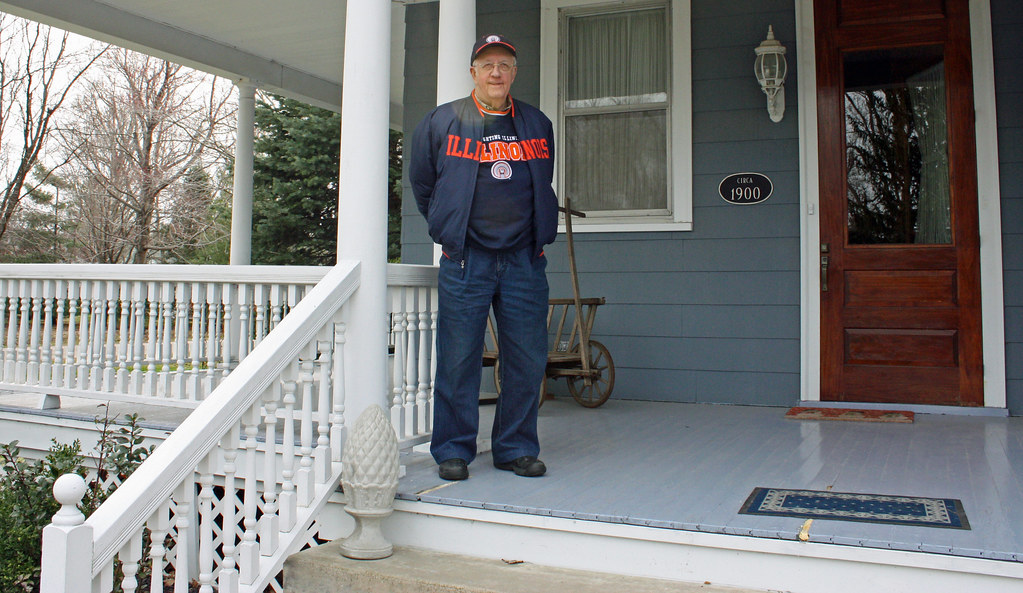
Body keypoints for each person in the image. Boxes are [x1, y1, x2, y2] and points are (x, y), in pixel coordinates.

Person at [410, 34, 558, 481]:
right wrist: (447, 223)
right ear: (473, 72)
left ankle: (515, 447)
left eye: (505, 64)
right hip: (465, 258)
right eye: (487, 64)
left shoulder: (536, 123)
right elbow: (422, 184)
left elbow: (542, 180)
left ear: (515, 73)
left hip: (523, 261)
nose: (496, 72)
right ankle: (454, 449)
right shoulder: (443, 121)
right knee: (458, 357)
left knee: (526, 358)